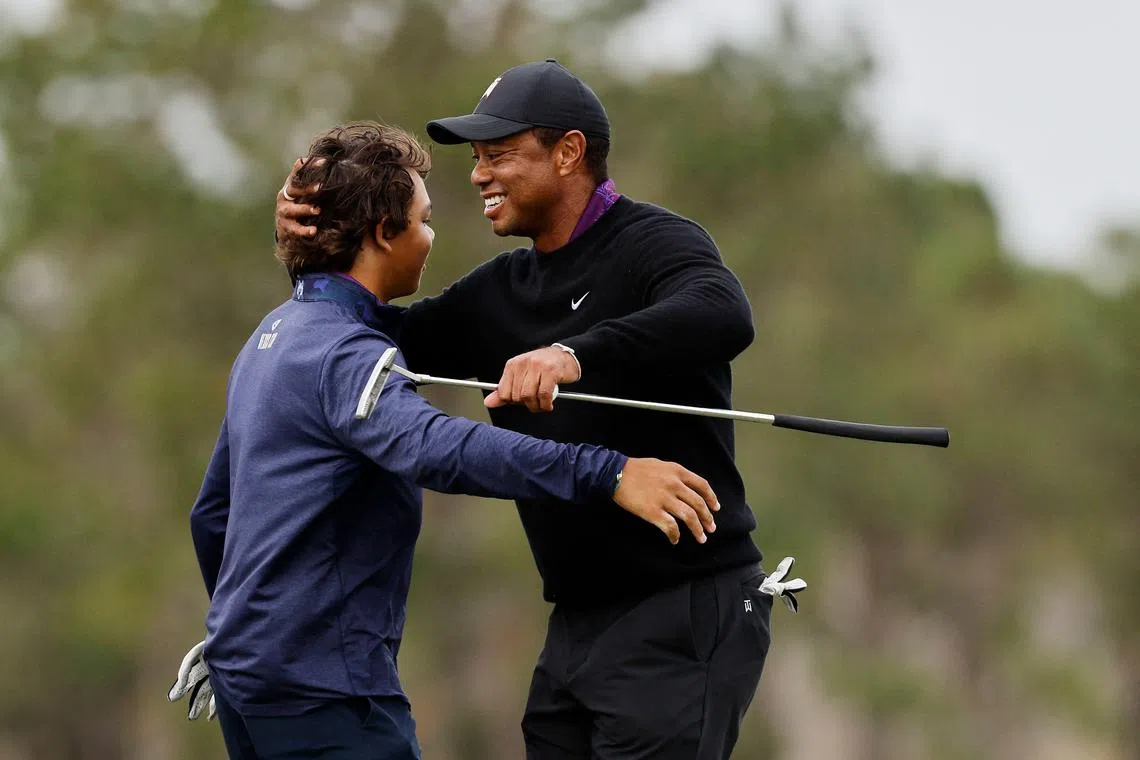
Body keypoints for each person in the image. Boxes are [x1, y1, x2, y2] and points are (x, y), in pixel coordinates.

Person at [276, 62, 802, 760]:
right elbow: (364, 338)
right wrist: (312, 252)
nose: (477, 175)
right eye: (475, 159)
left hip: (686, 607)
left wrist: (572, 355)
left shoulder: (653, 241)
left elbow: (721, 313)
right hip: (578, 625)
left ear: (568, 153)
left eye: (499, 155)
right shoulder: (501, 290)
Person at [169, 120, 722, 760]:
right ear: (384, 232)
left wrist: (239, 631)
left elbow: (213, 514)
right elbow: (439, 447)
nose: (431, 238)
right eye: (424, 220)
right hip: (326, 693)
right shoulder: (345, 352)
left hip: (248, 681)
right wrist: (608, 473)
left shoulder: (273, 338)